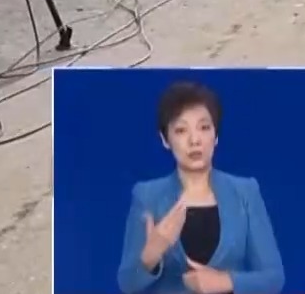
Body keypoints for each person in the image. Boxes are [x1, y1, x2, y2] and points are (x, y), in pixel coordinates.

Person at [118, 81, 283, 294]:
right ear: (165, 140)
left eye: (204, 127)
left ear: (216, 135)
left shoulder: (245, 192)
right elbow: (127, 284)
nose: (194, 140)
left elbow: (273, 278)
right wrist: (150, 254)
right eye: (181, 130)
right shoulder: (147, 196)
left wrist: (225, 282)